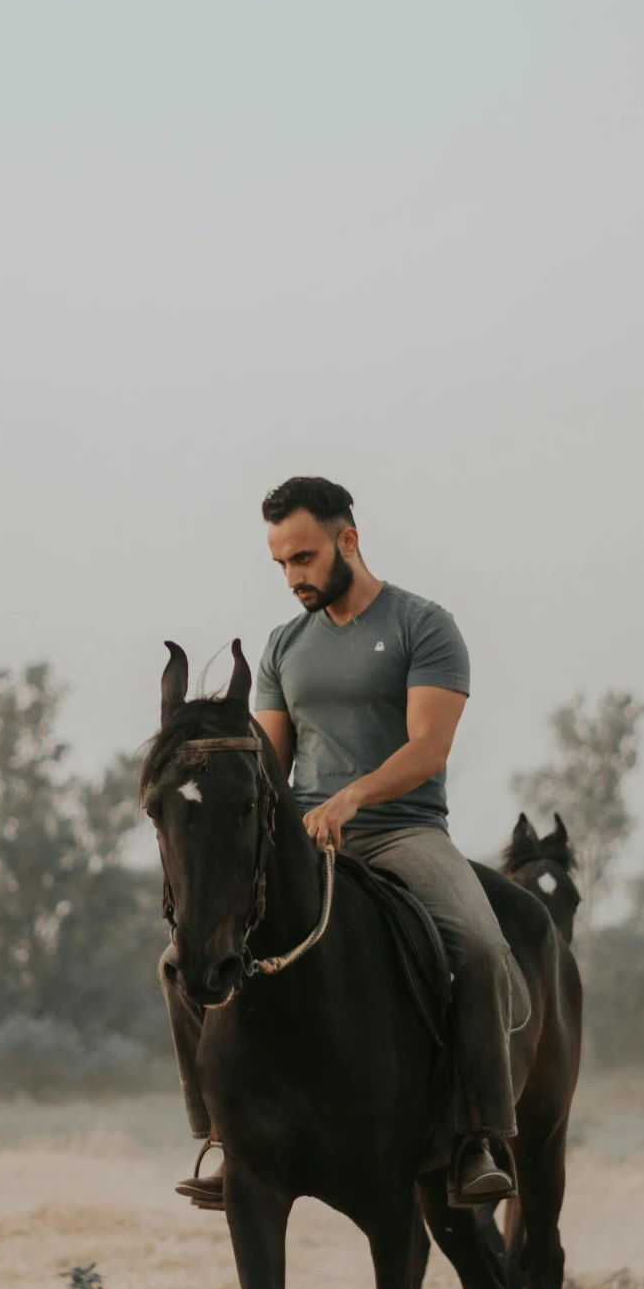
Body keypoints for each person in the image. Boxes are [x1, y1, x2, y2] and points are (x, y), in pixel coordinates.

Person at [164, 474, 522, 1211]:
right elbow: (268, 766)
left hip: (401, 833)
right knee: (177, 959)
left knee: (481, 949)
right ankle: (223, 1135)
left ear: (346, 541)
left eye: (301, 558)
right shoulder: (282, 646)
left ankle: (477, 1135)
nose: (291, 577)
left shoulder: (423, 625)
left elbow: (428, 746)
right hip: (303, 846)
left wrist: (351, 796)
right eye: (281, 564)